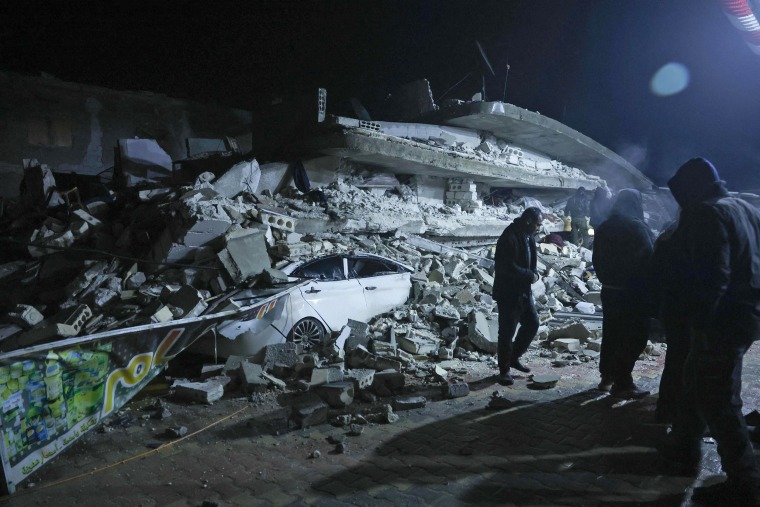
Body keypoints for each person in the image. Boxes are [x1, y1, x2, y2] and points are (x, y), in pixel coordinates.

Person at [660, 157, 760, 505]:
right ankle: (683, 453)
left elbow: (712, 277)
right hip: (745, 316)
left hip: (720, 322)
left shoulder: (706, 213)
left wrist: (699, 324)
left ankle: (746, 483)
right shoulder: (745, 208)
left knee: (720, 401)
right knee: (695, 382)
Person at [592, 189, 654, 398]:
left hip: (609, 290)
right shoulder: (637, 228)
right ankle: (623, 381)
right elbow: (649, 260)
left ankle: (607, 376)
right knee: (635, 337)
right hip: (632, 293)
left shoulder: (604, 227)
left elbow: (596, 260)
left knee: (612, 334)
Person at [493, 207, 542, 386]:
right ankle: (504, 371)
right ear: (528, 220)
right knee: (507, 332)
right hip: (509, 292)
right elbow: (507, 267)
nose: (539, 228)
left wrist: (534, 272)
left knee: (532, 323)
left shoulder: (528, 236)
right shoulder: (509, 237)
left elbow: (531, 261)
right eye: (537, 224)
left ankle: (513, 357)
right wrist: (530, 275)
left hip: (523, 291)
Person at [649, 220, 691, 424]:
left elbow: (654, 274)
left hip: (672, 309)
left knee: (675, 360)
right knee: (685, 362)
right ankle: (680, 412)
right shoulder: (695, 238)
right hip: (687, 311)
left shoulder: (667, 235)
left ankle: (667, 408)